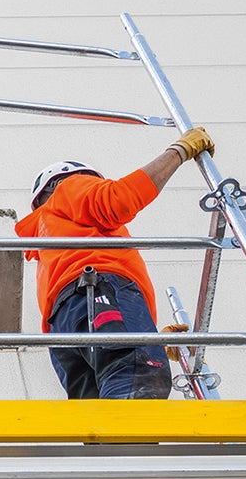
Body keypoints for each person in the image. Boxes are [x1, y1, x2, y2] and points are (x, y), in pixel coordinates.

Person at [16, 127, 215, 399]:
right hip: (100, 290)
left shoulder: (49, 247)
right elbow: (118, 200)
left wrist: (150, 337)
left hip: (64, 327)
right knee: (137, 379)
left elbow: (89, 319)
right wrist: (179, 152)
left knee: (98, 411)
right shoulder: (70, 188)